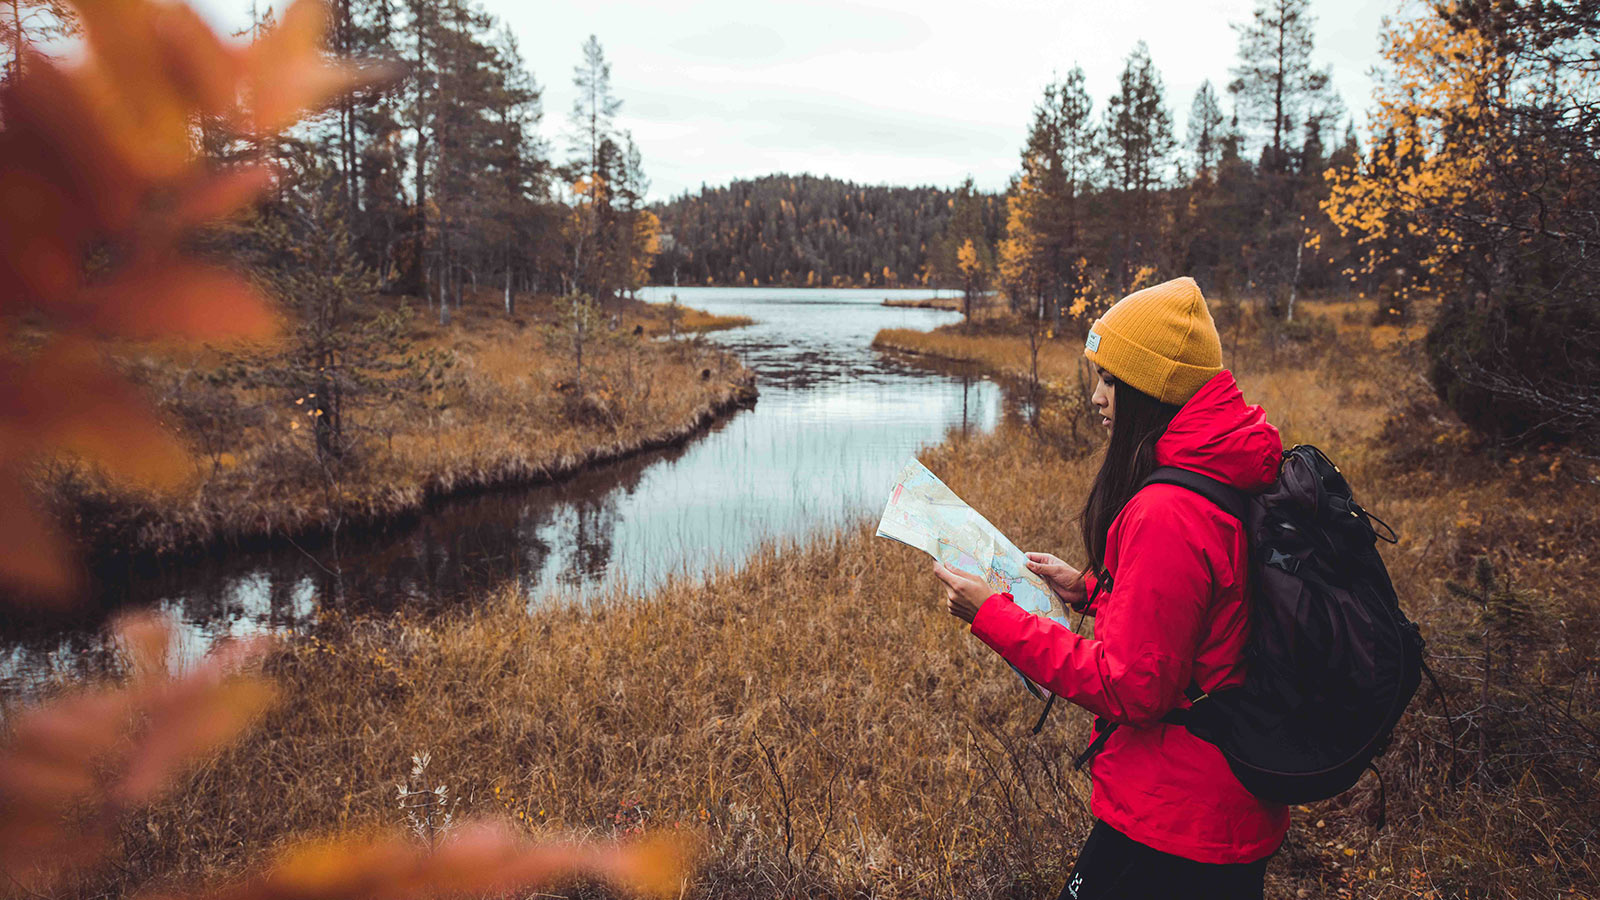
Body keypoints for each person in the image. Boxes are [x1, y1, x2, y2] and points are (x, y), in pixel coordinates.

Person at [933, 276, 1289, 900]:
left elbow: (1132, 687)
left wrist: (992, 615)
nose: (1097, 398)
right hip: (1218, 801)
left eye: (1109, 381)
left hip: (1175, 817)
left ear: (1153, 391)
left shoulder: (1168, 511)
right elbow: (1205, 613)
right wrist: (1094, 590)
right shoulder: (1219, 466)